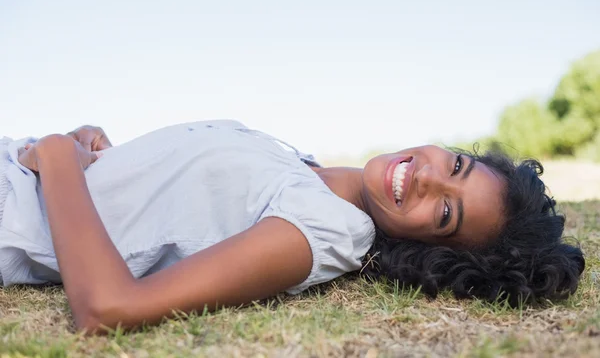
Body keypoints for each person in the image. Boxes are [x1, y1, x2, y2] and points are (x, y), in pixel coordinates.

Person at [0, 120, 584, 333]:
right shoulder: (307, 168)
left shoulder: (328, 229)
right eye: (458, 165)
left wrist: (55, 160)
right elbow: (167, 204)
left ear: (432, 248)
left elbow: (108, 308)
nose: (432, 178)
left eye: (447, 212)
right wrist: (97, 153)